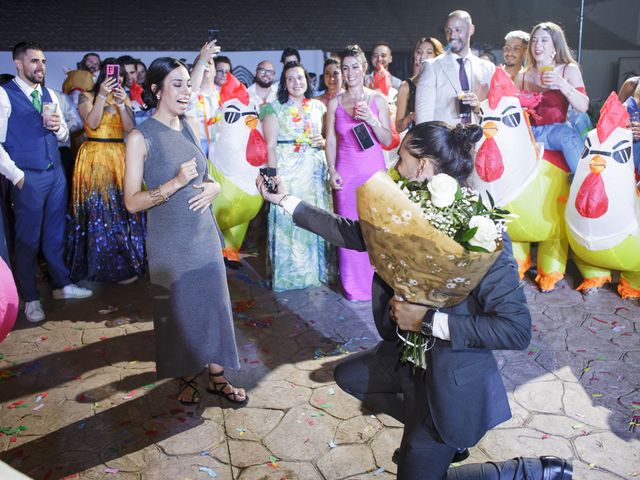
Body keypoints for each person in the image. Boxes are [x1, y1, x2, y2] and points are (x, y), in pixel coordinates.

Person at [256, 121, 573, 480]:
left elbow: (516, 330)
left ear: (422, 165)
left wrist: (426, 320)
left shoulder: (482, 233)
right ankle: (437, 443)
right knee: (351, 375)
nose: (394, 161)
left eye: (401, 155)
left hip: (450, 376)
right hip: (409, 360)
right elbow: (348, 232)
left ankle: (519, 471)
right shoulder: (401, 211)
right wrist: (284, 199)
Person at [124, 57, 247, 406]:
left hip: (204, 235)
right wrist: (175, 184)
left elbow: (205, 176)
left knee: (214, 307)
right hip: (170, 241)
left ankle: (217, 377)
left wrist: (214, 188)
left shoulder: (190, 124)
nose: (185, 90)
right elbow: (132, 201)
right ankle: (186, 377)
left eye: (187, 84)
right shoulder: (140, 137)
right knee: (178, 311)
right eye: (176, 84)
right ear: (155, 90)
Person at [0, 42, 92, 323]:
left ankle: (61, 286)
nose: (40, 66)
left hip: (55, 175)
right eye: (34, 61)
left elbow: (64, 136)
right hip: (27, 178)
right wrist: (17, 176)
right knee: (28, 241)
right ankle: (30, 298)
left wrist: (59, 127)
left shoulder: (50, 93)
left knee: (55, 235)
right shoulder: (4, 95)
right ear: (18, 63)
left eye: (43, 61)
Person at [66, 58, 145, 284]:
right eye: (113, 73)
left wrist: (122, 104)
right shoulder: (87, 96)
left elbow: (130, 128)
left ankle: (121, 265)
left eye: (120, 75)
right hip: (94, 156)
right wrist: (101, 96)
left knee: (120, 211)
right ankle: (95, 265)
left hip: (119, 156)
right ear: (103, 74)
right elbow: (91, 123)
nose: (117, 78)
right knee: (97, 212)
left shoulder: (124, 97)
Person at [326, 45, 392, 301]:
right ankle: (354, 287)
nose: (350, 72)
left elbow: (387, 139)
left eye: (355, 66)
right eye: (345, 68)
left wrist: (372, 121)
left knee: (376, 230)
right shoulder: (334, 102)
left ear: (364, 68)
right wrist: (332, 170)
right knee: (349, 231)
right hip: (346, 173)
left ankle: (381, 285)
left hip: (373, 174)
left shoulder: (377, 100)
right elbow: (330, 140)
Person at [261, 61, 332, 292]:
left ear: (308, 80)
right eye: (290, 79)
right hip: (288, 171)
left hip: (313, 170)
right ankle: (290, 276)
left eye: (300, 78)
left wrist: (322, 142)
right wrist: (272, 177)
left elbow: (327, 139)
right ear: (284, 83)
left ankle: (315, 272)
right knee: (289, 215)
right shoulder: (273, 108)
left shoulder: (319, 107)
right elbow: (270, 146)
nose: (296, 83)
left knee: (314, 215)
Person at [514, 22, 589, 174]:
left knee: (568, 136)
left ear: (555, 46)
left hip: (556, 130)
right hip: (528, 131)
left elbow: (583, 106)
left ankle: (584, 182)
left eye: (544, 40)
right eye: (534, 40)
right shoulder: (522, 76)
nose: (537, 45)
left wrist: (562, 84)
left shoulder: (568, 69)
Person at [415, 10, 495, 125]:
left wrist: (478, 107)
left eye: (458, 30)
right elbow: (423, 120)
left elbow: (493, 113)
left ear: (471, 29)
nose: (452, 36)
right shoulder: (432, 67)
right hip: (445, 141)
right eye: (448, 31)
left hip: (478, 140)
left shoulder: (488, 68)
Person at [396, 37, 444, 133]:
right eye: (419, 52)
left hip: (442, 137)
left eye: (429, 52)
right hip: (419, 139)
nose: (422, 57)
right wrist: (410, 117)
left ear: (437, 56)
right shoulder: (406, 86)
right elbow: (398, 127)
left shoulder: (445, 83)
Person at [187, 41, 221, 157]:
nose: (205, 65)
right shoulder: (189, 94)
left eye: (209, 63)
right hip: (196, 147)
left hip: (221, 148)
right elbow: (191, 90)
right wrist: (202, 61)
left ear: (215, 70)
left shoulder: (225, 94)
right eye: (202, 64)